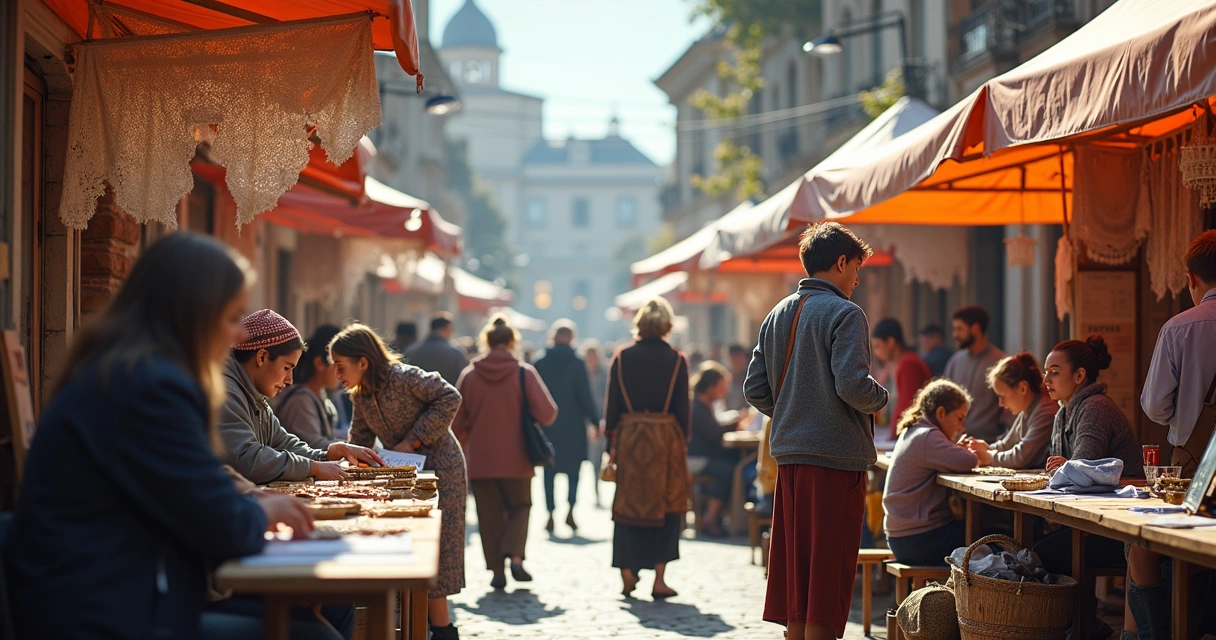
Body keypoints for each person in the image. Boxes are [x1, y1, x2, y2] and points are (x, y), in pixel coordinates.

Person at [2, 233, 343, 640]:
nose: (237, 337)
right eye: (230, 317)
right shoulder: (151, 386)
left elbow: (192, 483)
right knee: (315, 635)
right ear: (192, 312)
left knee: (316, 613)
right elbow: (217, 524)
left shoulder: (125, 368)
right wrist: (264, 511)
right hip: (105, 610)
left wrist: (252, 499)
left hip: (108, 590)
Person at [745, 222, 888, 640]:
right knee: (826, 575)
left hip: (789, 456)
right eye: (857, 268)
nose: (858, 279)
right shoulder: (845, 312)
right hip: (834, 460)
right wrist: (883, 398)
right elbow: (852, 385)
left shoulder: (776, 313)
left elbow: (754, 387)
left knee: (799, 577)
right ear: (840, 262)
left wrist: (793, 412)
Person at [329, 324, 466, 640]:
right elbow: (360, 439)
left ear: (363, 362)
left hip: (442, 470)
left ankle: (443, 632)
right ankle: (419, 627)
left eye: (340, 365)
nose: (336, 373)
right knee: (409, 547)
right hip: (403, 475)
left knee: (438, 550)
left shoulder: (404, 376)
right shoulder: (360, 395)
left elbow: (450, 396)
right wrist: (347, 469)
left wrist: (414, 440)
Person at [1129, 231, 1216, 640]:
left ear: (1191, 279)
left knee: (1149, 549)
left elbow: (1154, 405)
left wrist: (1183, 414)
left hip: (1195, 466)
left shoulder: (1180, 328)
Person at [453, 315, 558, 590]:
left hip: (481, 460)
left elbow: (457, 425)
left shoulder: (470, 376)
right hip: (518, 458)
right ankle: (515, 557)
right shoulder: (524, 373)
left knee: (488, 515)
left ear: (486, 341)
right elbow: (548, 414)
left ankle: (497, 570)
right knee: (520, 507)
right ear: (512, 341)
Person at [219, 310, 382, 485]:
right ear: (262, 357)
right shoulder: (225, 392)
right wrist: (314, 467)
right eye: (287, 368)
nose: (290, 380)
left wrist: (326, 455)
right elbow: (247, 460)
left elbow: (283, 443)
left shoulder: (255, 398)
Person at [604, 297, 690, 601]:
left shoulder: (622, 357)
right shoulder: (677, 360)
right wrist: (683, 442)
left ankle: (627, 570)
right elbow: (683, 408)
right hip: (665, 439)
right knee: (666, 505)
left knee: (629, 503)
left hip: (629, 438)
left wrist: (609, 445)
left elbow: (612, 405)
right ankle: (659, 579)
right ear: (667, 325)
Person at [883, 380, 976, 565]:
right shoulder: (927, 436)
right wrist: (970, 452)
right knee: (991, 534)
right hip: (919, 539)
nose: (962, 427)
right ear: (941, 413)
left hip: (902, 538)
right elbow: (968, 461)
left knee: (977, 531)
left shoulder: (916, 430)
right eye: (959, 418)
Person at [1043, 336, 1144, 477]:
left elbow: (1081, 467)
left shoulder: (1096, 407)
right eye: (1046, 372)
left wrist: (1066, 466)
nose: (1046, 379)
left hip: (1123, 494)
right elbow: (1057, 469)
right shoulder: (1062, 413)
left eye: (1054, 372)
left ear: (1079, 375)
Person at [534, 320, 601, 532]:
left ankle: (550, 513)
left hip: (548, 425)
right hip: (573, 426)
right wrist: (595, 420)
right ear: (572, 338)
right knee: (574, 472)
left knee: (549, 471)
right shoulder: (577, 362)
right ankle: (570, 511)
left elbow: (533, 397)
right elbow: (585, 396)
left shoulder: (540, 362)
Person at [965, 353, 1058, 470]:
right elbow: (1008, 444)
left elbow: (1021, 456)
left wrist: (989, 457)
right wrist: (985, 448)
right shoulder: (1027, 411)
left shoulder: (1045, 411)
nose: (1001, 403)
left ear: (1022, 388)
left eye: (1002, 396)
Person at [688, 361, 743, 538]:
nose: (723, 391)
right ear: (710, 387)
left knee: (733, 459)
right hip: (694, 458)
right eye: (720, 387)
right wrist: (736, 422)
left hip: (702, 455)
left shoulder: (703, 405)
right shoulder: (697, 407)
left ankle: (721, 515)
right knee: (727, 471)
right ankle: (710, 519)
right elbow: (713, 434)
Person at [943, 306, 1009, 442]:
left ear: (975, 328)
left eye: (959, 329)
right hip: (953, 445)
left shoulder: (1001, 363)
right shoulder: (955, 362)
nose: (954, 335)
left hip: (988, 446)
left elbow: (1010, 413)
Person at [275, 324, 344, 449]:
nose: (341, 373)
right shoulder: (300, 401)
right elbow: (312, 447)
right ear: (319, 363)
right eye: (337, 365)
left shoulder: (324, 399)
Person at [871, 318, 933, 440]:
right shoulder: (899, 363)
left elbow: (907, 406)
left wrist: (893, 436)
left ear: (891, 342)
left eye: (878, 346)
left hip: (915, 435)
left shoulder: (908, 363)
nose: (876, 352)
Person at [406, 312, 470, 386]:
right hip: (449, 396)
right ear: (448, 327)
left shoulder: (410, 352)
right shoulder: (456, 354)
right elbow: (465, 383)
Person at [582, 340, 610, 506]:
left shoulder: (605, 373)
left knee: (604, 458)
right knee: (594, 461)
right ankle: (596, 492)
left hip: (604, 420)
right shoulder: (581, 373)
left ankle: (603, 490)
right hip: (589, 423)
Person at [724, 343, 751, 410]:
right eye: (733, 359)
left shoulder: (751, 377)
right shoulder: (725, 378)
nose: (736, 362)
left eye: (738, 358)